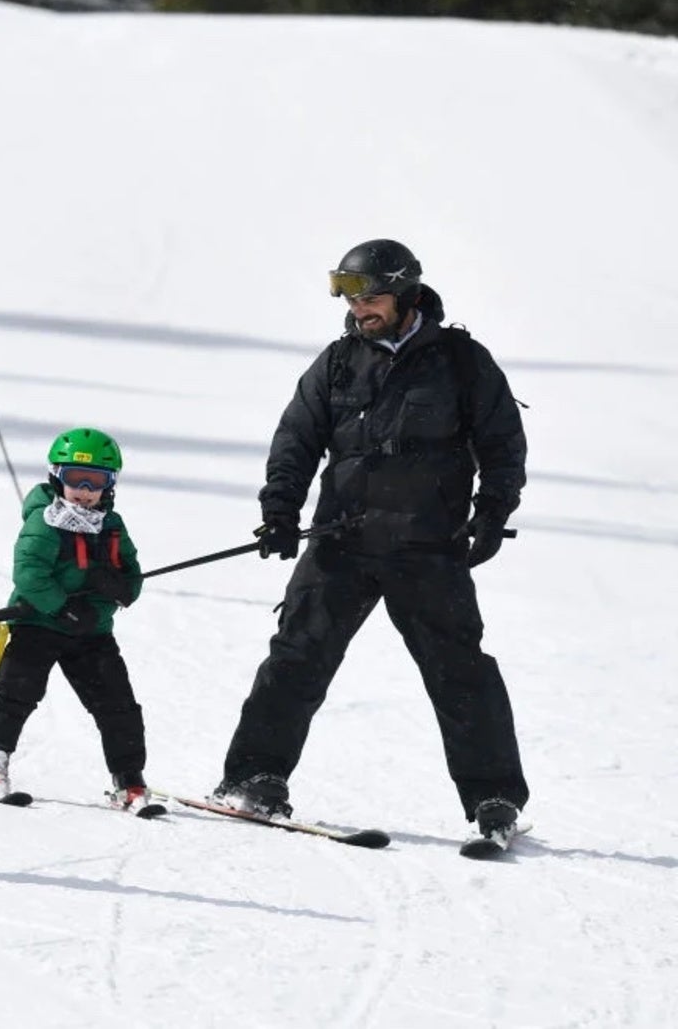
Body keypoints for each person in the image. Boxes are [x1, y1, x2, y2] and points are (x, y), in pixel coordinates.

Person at [211, 238, 529, 844]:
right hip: (341, 540)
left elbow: (502, 443)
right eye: (348, 296)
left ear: (405, 292)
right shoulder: (335, 363)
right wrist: (280, 509)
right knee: (296, 659)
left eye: (370, 295)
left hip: (428, 546)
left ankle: (494, 798)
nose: (359, 309)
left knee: (460, 671)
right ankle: (253, 778)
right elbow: (296, 440)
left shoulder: (462, 362)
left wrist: (492, 512)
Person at [0, 428, 150, 809]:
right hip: (38, 624)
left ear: (110, 484)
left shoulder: (112, 526)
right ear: (56, 477)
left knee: (117, 704)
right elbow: (29, 573)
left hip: (92, 631)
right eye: (73, 479)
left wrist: (118, 587)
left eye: (95, 480)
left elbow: (131, 574)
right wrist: (62, 607)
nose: (83, 489)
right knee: (17, 692)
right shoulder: (46, 521)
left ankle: (128, 779)